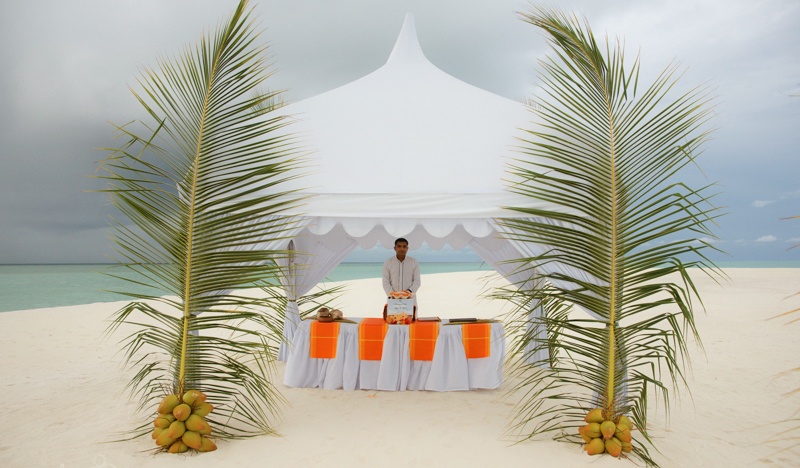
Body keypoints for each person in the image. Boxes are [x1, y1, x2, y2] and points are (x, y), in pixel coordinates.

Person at [382, 237, 421, 303]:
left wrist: (408, 293)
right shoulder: (388, 262)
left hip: (410, 298)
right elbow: (385, 282)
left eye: (404, 246)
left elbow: (417, 281)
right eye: (399, 246)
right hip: (392, 299)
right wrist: (394, 295)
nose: (401, 249)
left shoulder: (414, 262)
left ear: (407, 248)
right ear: (395, 248)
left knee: (411, 310)